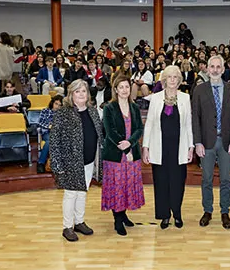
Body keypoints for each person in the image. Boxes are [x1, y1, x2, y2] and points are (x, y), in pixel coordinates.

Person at [50, 79, 103, 242]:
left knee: (83, 192)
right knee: (71, 194)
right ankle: (67, 226)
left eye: (84, 91)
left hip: (88, 160)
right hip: (69, 161)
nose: (81, 94)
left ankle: (79, 222)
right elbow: (54, 140)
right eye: (77, 91)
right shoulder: (63, 112)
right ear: (71, 94)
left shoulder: (93, 111)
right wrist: (57, 163)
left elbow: (99, 134)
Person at [192, 56, 230, 229]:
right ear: (207, 69)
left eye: (218, 67)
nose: (214, 70)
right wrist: (197, 142)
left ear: (223, 69)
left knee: (226, 179)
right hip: (206, 142)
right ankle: (207, 210)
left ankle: (225, 211)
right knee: (206, 179)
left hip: (227, 142)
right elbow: (195, 118)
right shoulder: (199, 90)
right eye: (211, 66)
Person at [142, 65, 193, 229]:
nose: (172, 80)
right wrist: (145, 146)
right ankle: (164, 215)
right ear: (164, 80)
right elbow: (149, 123)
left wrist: (191, 146)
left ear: (179, 80)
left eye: (175, 77)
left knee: (178, 181)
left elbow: (189, 125)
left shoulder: (185, 98)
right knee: (161, 181)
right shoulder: (155, 98)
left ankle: (177, 213)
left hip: (179, 147)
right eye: (169, 77)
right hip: (159, 147)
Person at [101, 74, 145, 236]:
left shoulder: (134, 108)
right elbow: (110, 132)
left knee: (127, 185)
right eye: (121, 87)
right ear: (116, 90)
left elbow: (139, 128)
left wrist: (130, 144)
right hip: (115, 154)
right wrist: (126, 150)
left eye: (127, 86)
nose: (125, 90)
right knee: (117, 186)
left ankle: (123, 213)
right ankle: (117, 220)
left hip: (132, 152)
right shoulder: (109, 108)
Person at [36, 95, 63, 173]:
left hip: (59, 134)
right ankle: (41, 163)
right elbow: (39, 123)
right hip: (47, 132)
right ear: (52, 103)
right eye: (56, 104)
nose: (57, 106)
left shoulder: (62, 114)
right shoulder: (45, 111)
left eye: (60, 105)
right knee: (49, 141)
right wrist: (49, 126)